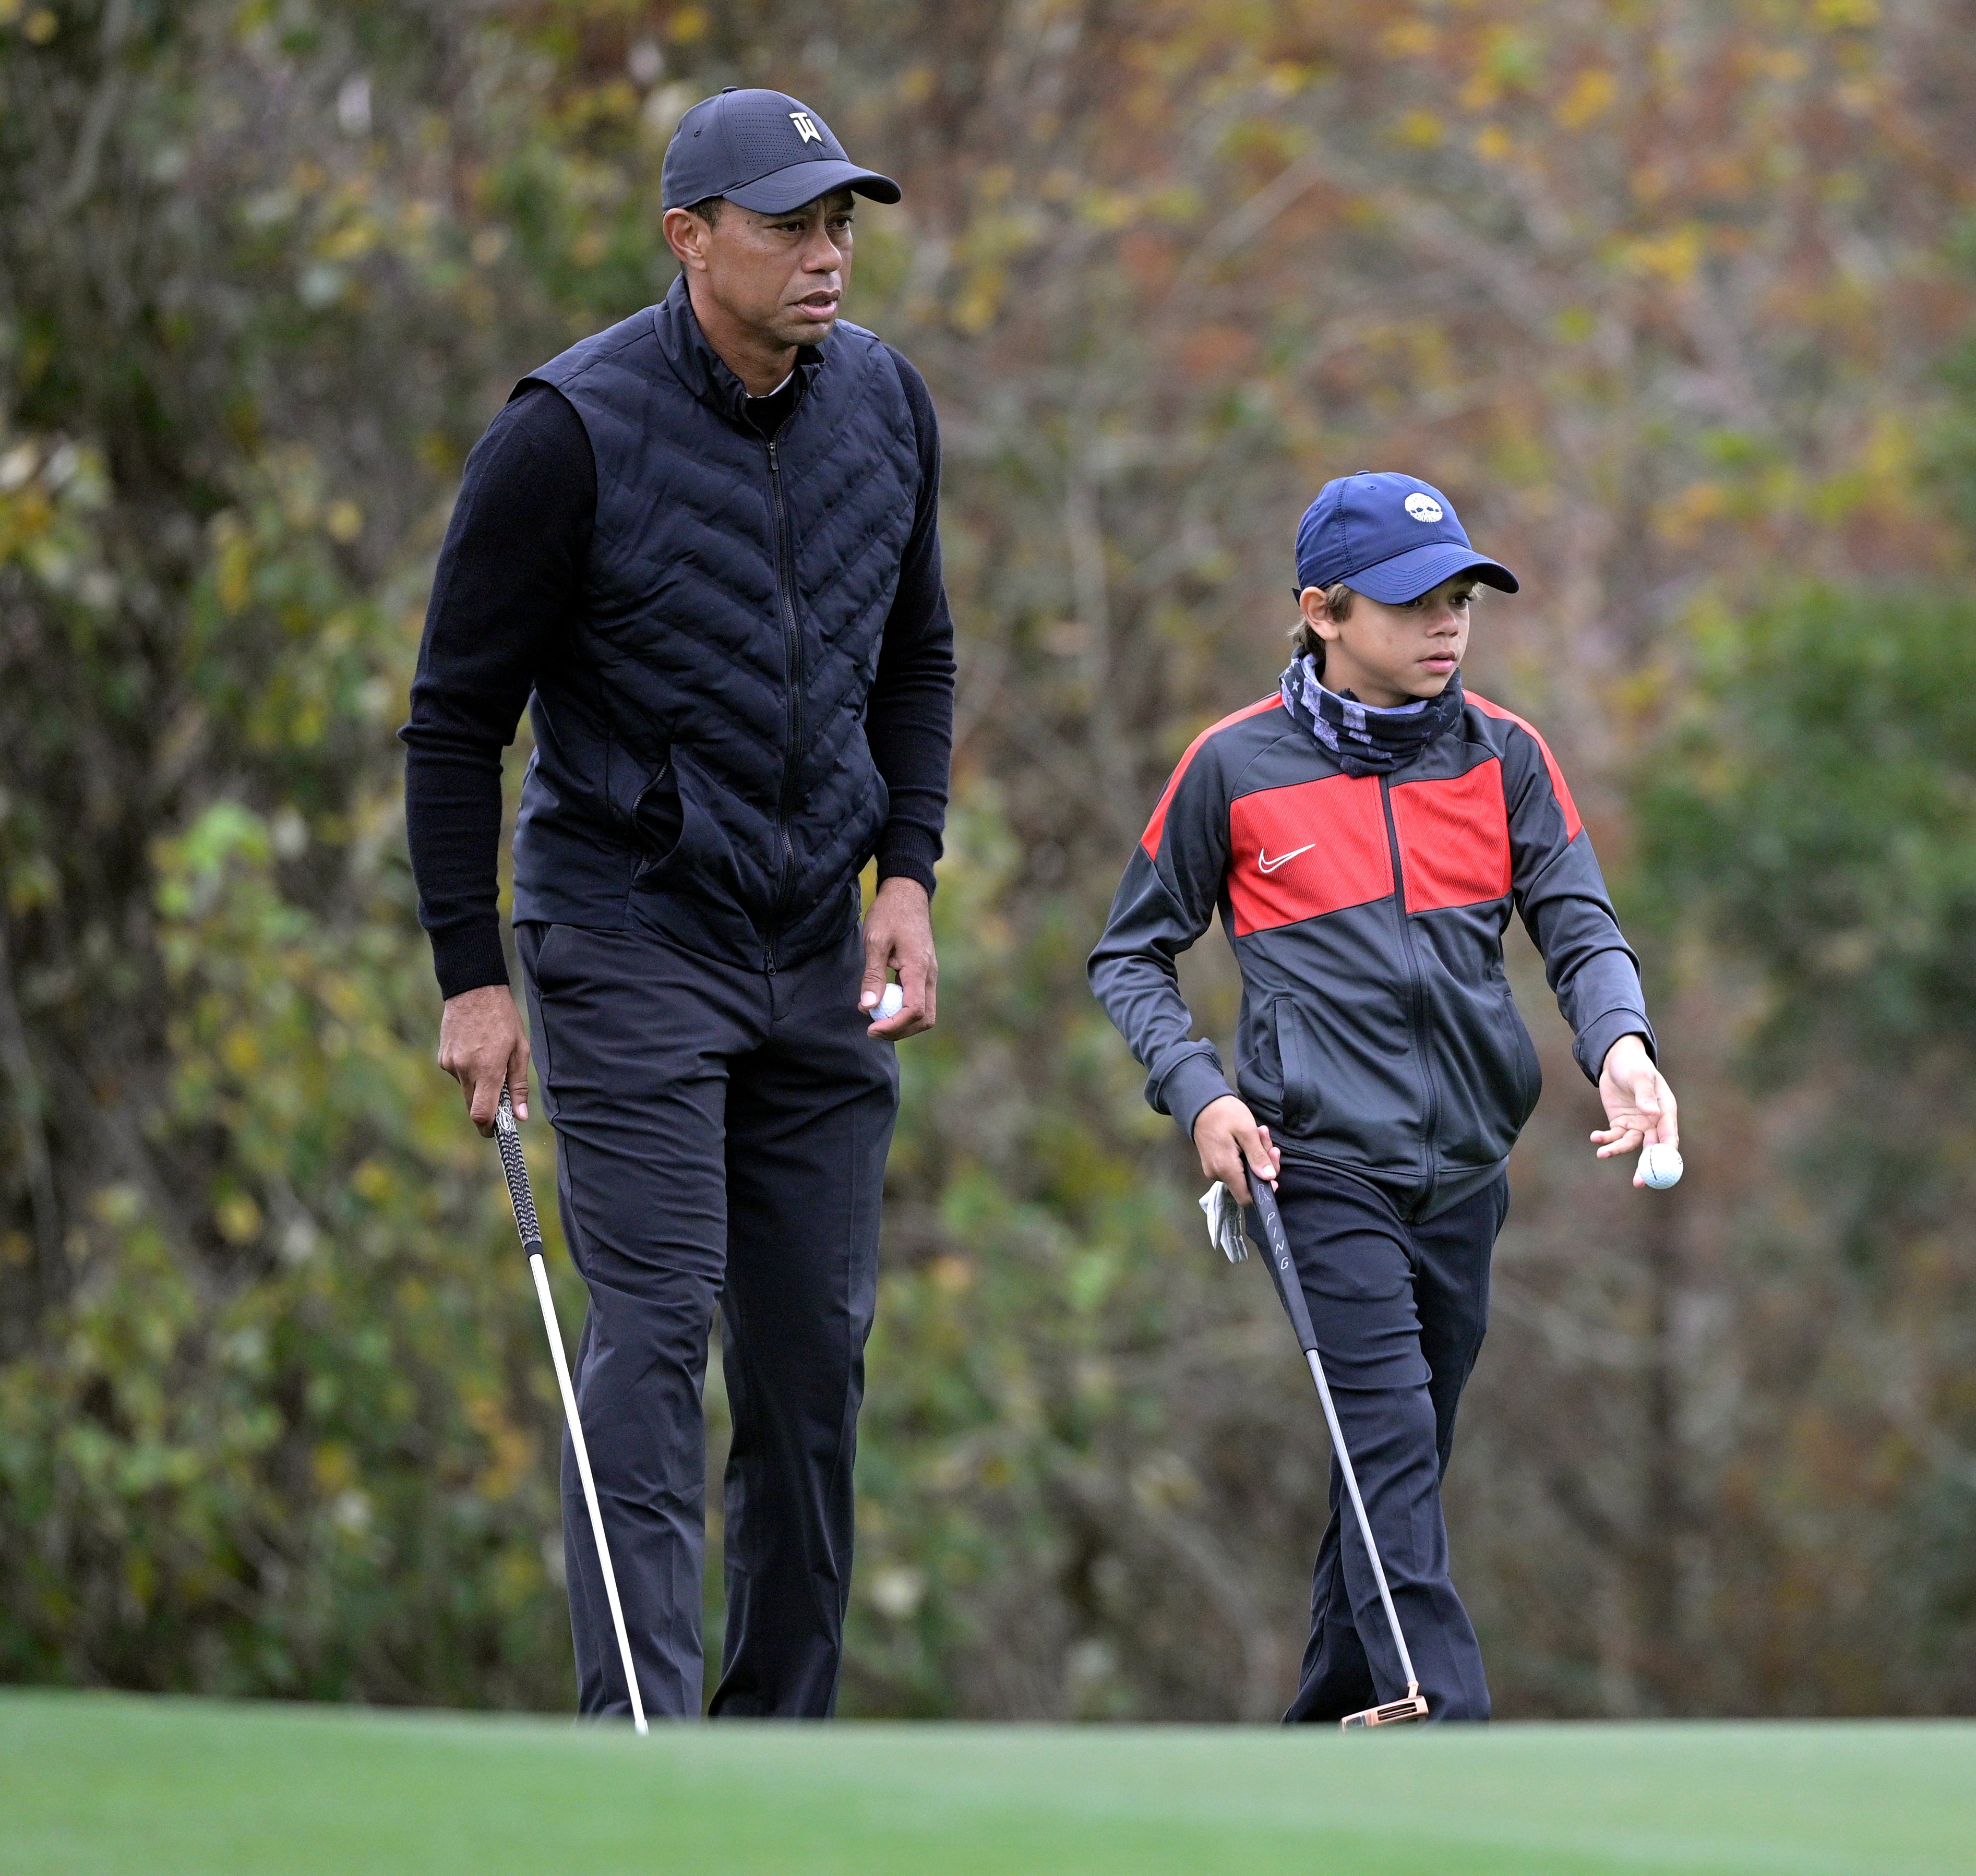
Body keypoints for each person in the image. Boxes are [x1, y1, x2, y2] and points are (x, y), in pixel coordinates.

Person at [400, 88, 954, 1720]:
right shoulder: (566, 430)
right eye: (789, 223)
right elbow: (453, 717)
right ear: (688, 237)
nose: (827, 254)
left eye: (841, 222)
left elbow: (914, 653)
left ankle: (772, 1749)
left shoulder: (888, 408)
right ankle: (641, 1747)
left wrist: (905, 871)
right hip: (627, 930)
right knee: (653, 1333)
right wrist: (471, 974)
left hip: (810, 945)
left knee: (809, 1368)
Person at [1089, 471, 1680, 1721]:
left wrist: (1621, 1044)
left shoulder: (1508, 757)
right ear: (1322, 610)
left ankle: (1319, 1745)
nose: (1448, 624)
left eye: (1460, 597)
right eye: (1416, 603)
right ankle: (1444, 1732)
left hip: (1465, 1169)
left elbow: (1579, 925)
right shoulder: (1231, 768)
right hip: (1314, 1164)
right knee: (1392, 1445)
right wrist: (1200, 1094)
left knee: (1391, 1464)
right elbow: (1129, 954)